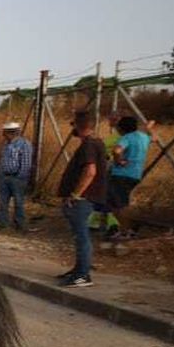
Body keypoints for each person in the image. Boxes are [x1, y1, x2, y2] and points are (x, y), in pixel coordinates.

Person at [57, 110, 106, 288]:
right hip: (86, 198)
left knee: (82, 236)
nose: (72, 128)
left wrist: (75, 194)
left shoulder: (89, 146)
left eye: (73, 124)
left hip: (83, 199)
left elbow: (90, 172)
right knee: (80, 236)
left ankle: (83, 275)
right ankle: (78, 270)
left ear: (80, 125)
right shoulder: (95, 144)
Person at [102, 116, 150, 238]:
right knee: (117, 202)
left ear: (122, 128)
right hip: (136, 174)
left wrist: (120, 161)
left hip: (121, 174)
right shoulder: (144, 137)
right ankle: (126, 228)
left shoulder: (126, 138)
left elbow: (117, 151)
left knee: (118, 204)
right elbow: (152, 137)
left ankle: (127, 230)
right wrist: (149, 127)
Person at [0, 121, 33, 231]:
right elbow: (3, 161)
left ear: (12, 133)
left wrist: (19, 177)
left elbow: (26, 163)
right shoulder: (6, 145)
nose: (3, 135)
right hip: (5, 177)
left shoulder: (24, 145)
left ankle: (20, 224)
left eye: (5, 132)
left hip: (17, 178)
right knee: (3, 202)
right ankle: (2, 223)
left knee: (19, 203)